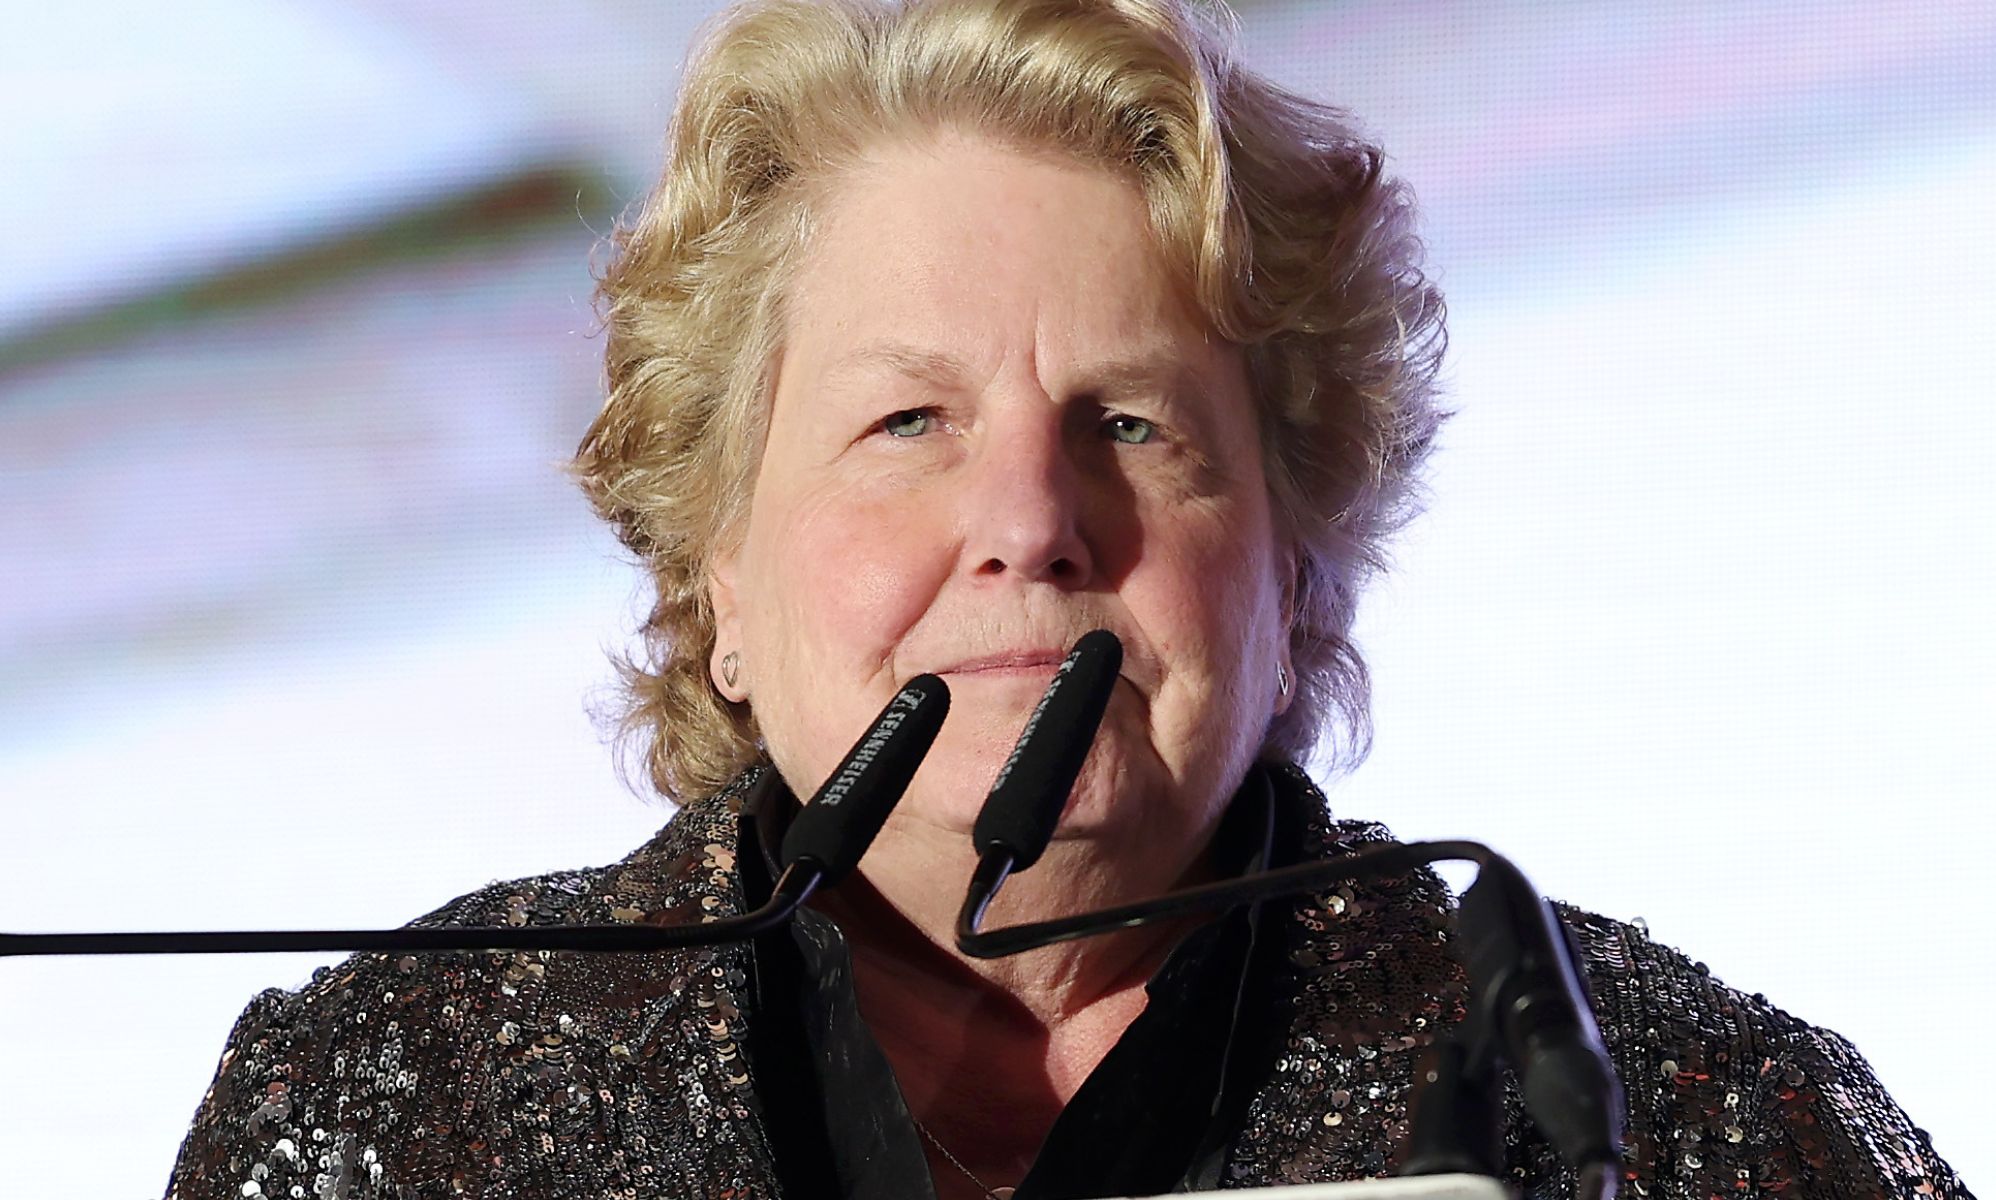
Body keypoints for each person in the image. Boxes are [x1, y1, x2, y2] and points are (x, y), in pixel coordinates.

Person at [167, 1, 1966, 1197]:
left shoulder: (1662, 1121)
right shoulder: (396, 1102)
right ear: (717, 566)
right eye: (905, 423)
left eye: (1128, 423)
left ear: (1295, 568)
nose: (1028, 518)